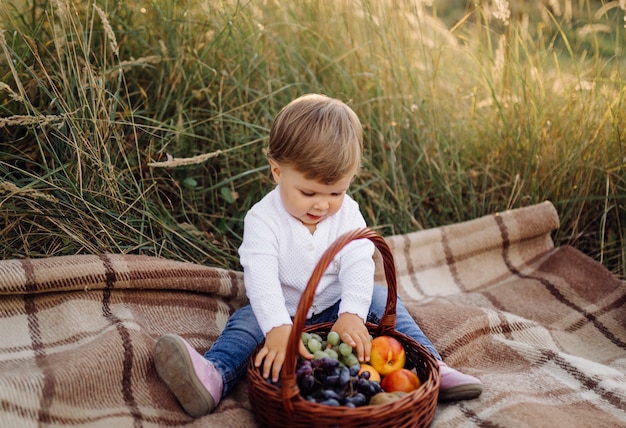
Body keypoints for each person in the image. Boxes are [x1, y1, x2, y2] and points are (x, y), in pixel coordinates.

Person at [154, 94, 482, 417]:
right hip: (283, 309)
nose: (322, 205)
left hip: (335, 305)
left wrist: (353, 311)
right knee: (245, 322)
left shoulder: (348, 213)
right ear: (277, 172)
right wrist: (277, 327)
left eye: (335, 192)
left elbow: (357, 261)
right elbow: (262, 278)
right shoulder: (263, 219)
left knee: (380, 299)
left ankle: (434, 366)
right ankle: (214, 375)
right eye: (308, 192)